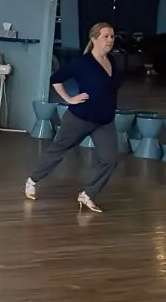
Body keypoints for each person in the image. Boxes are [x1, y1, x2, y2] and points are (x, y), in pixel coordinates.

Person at [25, 22, 119, 213]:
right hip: (80, 117)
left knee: (109, 159)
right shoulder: (82, 63)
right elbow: (56, 79)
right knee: (58, 151)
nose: (110, 40)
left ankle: (88, 195)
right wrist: (70, 99)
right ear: (94, 39)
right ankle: (32, 180)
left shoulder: (113, 62)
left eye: (112, 36)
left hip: (104, 121)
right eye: (106, 36)